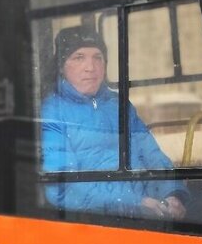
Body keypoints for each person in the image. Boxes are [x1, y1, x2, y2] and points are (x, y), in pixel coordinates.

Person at [40, 26, 188, 219]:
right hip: (93, 219)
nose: (90, 67)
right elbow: (61, 186)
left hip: (146, 206)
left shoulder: (119, 105)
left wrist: (173, 195)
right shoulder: (53, 112)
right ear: (61, 66)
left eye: (98, 57)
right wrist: (135, 203)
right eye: (79, 57)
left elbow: (152, 155)